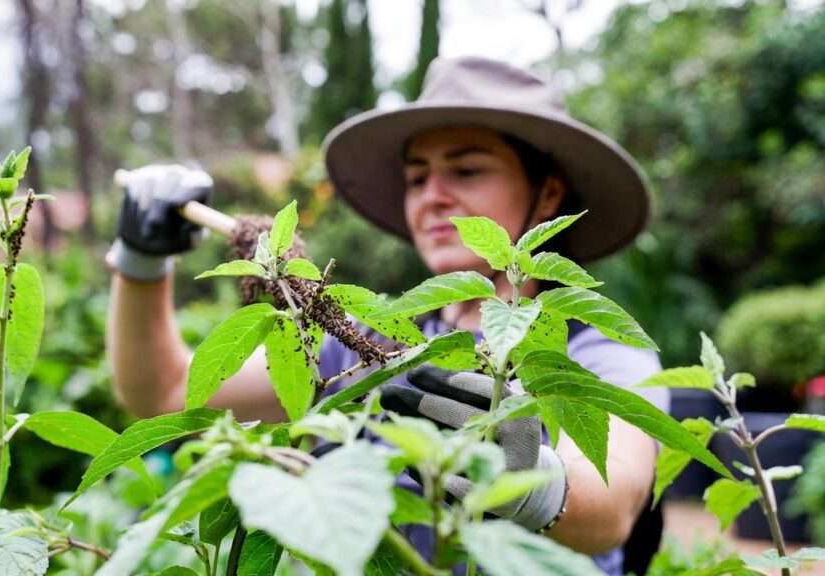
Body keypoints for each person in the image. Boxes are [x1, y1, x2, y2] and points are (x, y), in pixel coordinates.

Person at [106, 57, 668, 576]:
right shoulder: (362, 343)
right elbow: (165, 391)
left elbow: (612, 506)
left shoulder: (598, 352)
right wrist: (140, 262)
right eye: (417, 177)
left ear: (547, 194)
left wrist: (524, 479)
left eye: (467, 170)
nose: (433, 196)